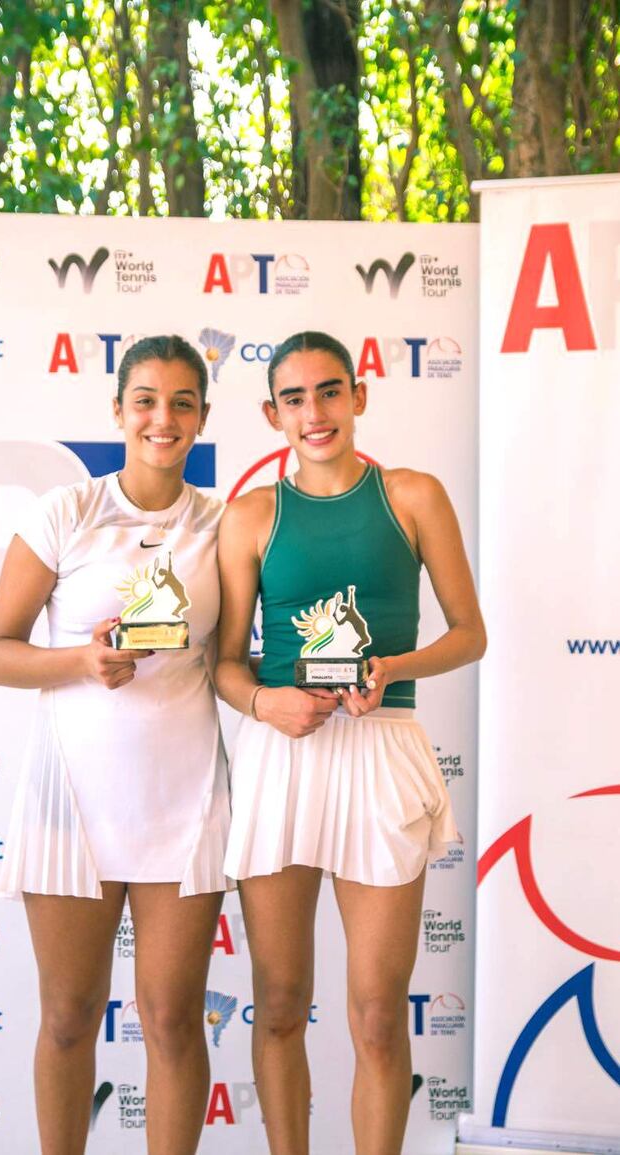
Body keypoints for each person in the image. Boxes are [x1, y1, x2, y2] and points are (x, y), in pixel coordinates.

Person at [215, 331, 486, 1155]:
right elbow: (225, 663)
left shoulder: (413, 495)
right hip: (283, 755)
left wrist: (393, 666)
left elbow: (470, 634)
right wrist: (265, 703)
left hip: (382, 747)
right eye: (294, 398)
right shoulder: (251, 515)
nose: (315, 412)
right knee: (279, 1001)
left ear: (359, 396)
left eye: (330, 391)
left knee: (376, 1011)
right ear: (272, 414)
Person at [0, 335, 229, 1155]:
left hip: (185, 799)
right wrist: (81, 661)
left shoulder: (222, 524)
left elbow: (235, 659)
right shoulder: (67, 511)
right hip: (71, 802)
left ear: (202, 416)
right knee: (68, 1015)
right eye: (146, 400)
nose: (163, 418)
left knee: (173, 1019)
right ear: (118, 409)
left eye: (182, 402)